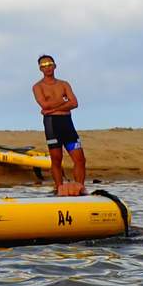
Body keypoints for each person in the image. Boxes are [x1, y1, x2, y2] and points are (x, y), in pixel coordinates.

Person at [32, 54, 87, 194]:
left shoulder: (64, 84)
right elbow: (44, 105)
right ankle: (59, 188)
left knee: (80, 159)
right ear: (40, 69)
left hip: (67, 124)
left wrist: (52, 108)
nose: (47, 67)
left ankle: (80, 188)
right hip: (52, 124)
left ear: (55, 66)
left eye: (50, 64)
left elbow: (74, 103)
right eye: (44, 65)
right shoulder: (38, 87)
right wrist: (64, 101)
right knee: (56, 160)